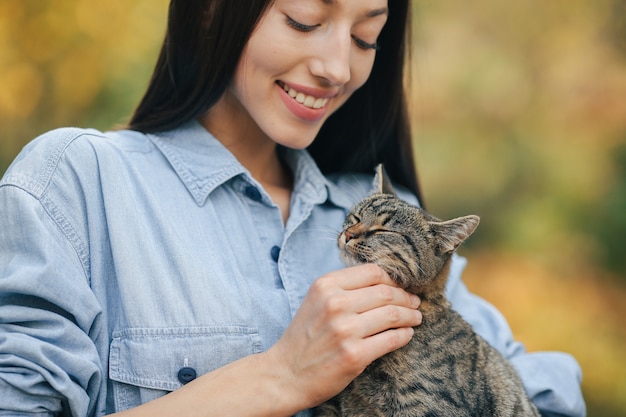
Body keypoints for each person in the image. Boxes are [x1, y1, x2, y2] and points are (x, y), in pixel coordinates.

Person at [0, 1, 585, 416]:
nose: (338, 67)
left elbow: (542, 393)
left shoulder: (393, 216)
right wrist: (279, 376)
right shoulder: (79, 183)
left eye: (365, 37)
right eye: (305, 20)